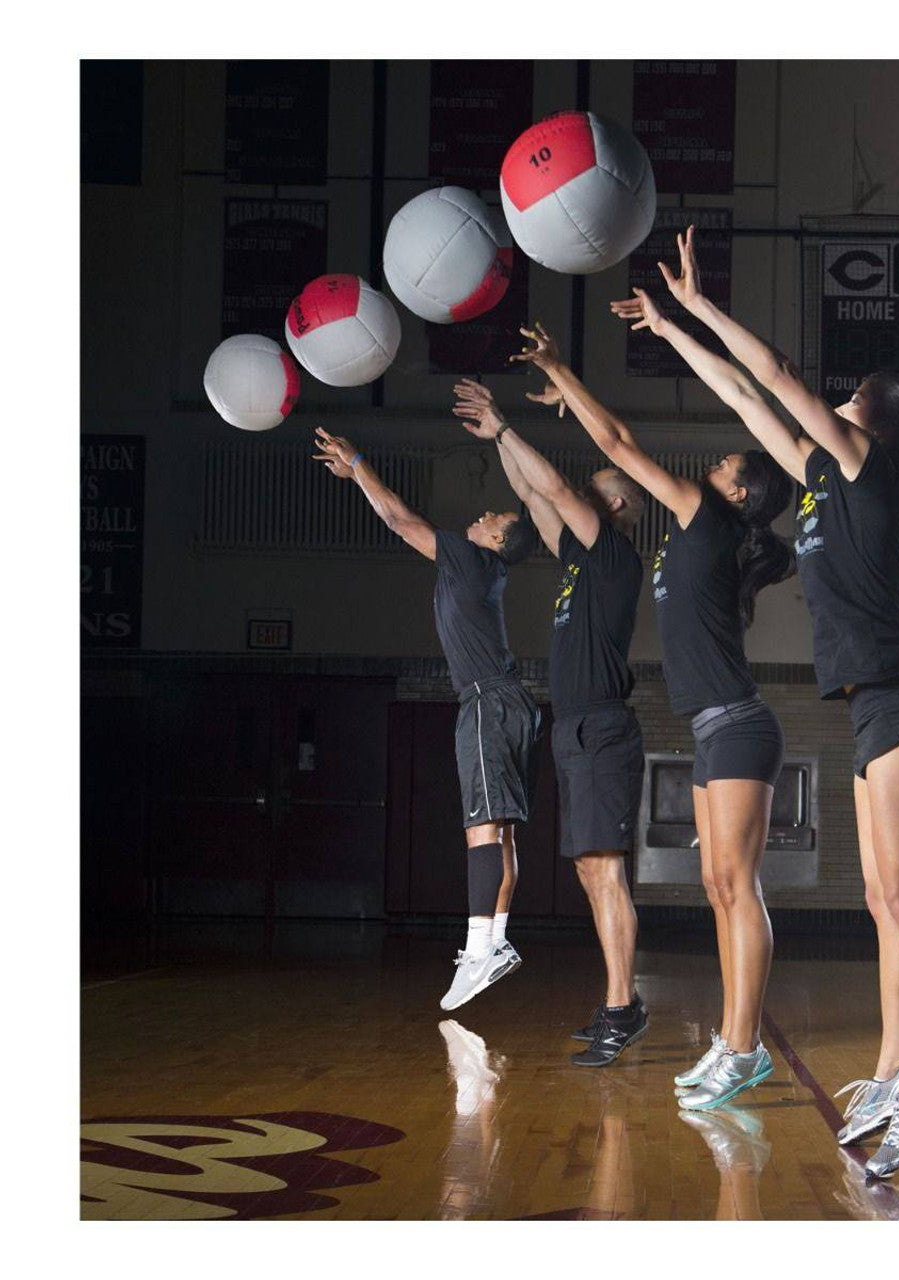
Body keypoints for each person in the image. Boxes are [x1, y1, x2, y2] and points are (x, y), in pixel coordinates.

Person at [616, 227, 899, 1176]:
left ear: (873, 420)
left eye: (853, 392)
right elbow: (747, 392)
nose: (836, 396)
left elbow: (775, 373)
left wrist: (701, 304)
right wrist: (669, 332)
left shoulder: (872, 466)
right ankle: (892, 1070)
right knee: (878, 897)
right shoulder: (825, 477)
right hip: (872, 705)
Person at [510, 321, 795, 1112]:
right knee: (716, 885)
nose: (715, 462)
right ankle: (732, 1044)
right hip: (712, 732)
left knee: (738, 888)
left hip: (739, 726)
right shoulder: (697, 535)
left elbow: (617, 436)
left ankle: (744, 1047)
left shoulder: (707, 518)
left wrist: (563, 368)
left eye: (728, 462)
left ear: (738, 493)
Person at [451, 377, 650, 1067]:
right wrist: (496, 441)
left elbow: (557, 491)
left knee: (604, 871)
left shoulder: (614, 555)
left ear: (617, 506)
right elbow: (539, 497)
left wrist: (507, 426)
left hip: (601, 728)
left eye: (596, 489)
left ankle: (624, 1008)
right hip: (574, 731)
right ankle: (617, 999)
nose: (580, 495)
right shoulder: (577, 560)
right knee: (592, 876)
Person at [313, 427, 540, 1012]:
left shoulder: (469, 560)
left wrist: (359, 459)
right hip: (508, 701)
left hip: (488, 702)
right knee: (502, 830)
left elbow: (398, 519)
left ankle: (479, 948)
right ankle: (494, 941)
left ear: (496, 538)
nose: (485, 511)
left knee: (482, 830)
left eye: (496, 515)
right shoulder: (484, 572)